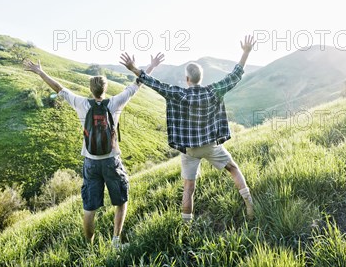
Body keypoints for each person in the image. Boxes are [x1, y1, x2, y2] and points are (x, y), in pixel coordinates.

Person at [23, 54, 163, 247]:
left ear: (91, 89)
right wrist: (151, 66)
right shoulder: (115, 103)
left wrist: (40, 72)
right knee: (121, 201)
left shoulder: (81, 104)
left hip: (90, 161)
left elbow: (58, 88)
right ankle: (116, 241)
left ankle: (89, 246)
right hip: (112, 160)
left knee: (90, 207)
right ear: (105, 89)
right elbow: (137, 83)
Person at [119, 35, 256, 222]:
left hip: (189, 150)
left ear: (187, 78)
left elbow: (154, 83)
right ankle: (249, 206)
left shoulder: (178, 94)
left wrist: (134, 68)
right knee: (233, 169)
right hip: (210, 145)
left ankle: (186, 227)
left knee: (189, 188)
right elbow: (235, 75)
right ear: (201, 78)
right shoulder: (213, 91)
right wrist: (246, 52)